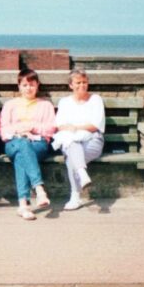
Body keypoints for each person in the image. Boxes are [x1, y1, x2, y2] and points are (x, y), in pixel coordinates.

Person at [0, 69, 56, 220]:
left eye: (31, 84)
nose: (28, 88)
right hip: (13, 142)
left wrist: (33, 128)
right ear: (19, 86)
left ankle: (23, 204)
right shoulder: (10, 105)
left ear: (37, 85)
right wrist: (18, 131)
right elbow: (3, 129)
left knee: (21, 156)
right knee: (22, 144)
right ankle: (39, 188)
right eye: (24, 85)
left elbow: (51, 129)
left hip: (38, 144)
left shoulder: (46, 105)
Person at [52, 67, 105, 211]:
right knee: (72, 146)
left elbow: (95, 125)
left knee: (72, 158)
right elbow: (59, 124)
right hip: (70, 140)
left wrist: (75, 127)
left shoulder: (96, 99)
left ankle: (75, 197)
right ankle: (82, 174)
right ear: (71, 85)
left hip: (92, 141)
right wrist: (70, 129)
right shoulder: (64, 102)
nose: (82, 85)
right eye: (78, 82)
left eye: (84, 82)